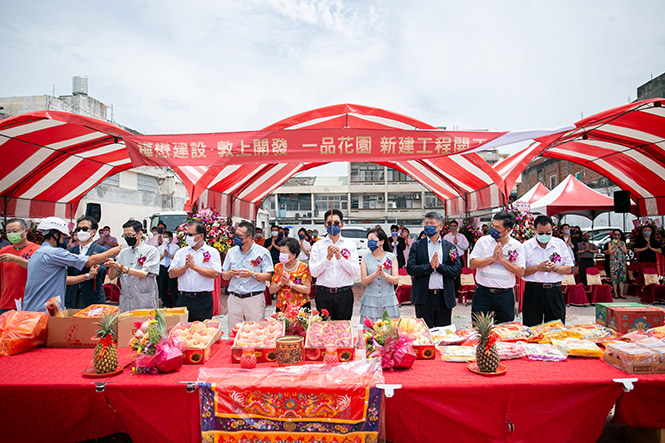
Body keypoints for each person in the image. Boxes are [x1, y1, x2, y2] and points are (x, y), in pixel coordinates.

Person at [23, 217, 119, 312]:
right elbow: (88, 262)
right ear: (56, 235)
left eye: (84, 229)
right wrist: (112, 252)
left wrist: (88, 276)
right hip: (49, 307)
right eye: (64, 237)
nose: (66, 240)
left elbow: (65, 279)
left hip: (89, 299)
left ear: (93, 232)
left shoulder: (38, 252)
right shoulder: (56, 253)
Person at [406, 211, 462, 327]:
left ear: (440, 227)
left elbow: (457, 270)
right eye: (426, 223)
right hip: (424, 297)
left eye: (431, 223)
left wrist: (439, 267)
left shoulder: (449, 247)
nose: (428, 226)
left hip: (444, 298)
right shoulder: (417, 245)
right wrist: (429, 267)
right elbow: (411, 269)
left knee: (443, 334)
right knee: (424, 333)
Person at [469, 211, 525, 325]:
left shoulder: (516, 246)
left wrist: (503, 260)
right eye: (493, 225)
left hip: (505, 295)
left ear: (508, 230)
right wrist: (493, 258)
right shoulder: (483, 241)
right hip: (483, 293)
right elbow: (472, 263)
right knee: (479, 330)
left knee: (504, 330)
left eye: (497, 227)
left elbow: (520, 271)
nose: (493, 229)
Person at [522, 215, 574, 326]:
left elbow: (568, 268)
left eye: (548, 233)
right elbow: (521, 271)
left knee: (556, 328)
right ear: (534, 230)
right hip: (533, 291)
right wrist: (537, 268)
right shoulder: (526, 246)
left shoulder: (559, 244)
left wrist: (556, 268)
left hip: (554, 290)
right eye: (541, 233)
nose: (544, 236)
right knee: (531, 327)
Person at [221, 221, 273, 331]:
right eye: (236, 235)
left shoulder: (262, 252)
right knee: (234, 332)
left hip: (254, 298)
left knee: (256, 332)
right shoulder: (231, 252)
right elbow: (224, 275)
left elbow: (268, 275)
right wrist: (229, 273)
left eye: (240, 236)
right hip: (234, 298)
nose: (237, 238)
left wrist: (252, 274)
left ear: (249, 237)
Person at [310, 209, 360, 320]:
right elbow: (313, 272)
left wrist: (340, 258)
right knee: (324, 329)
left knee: (343, 329)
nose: (333, 226)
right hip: (323, 294)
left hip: (344, 294)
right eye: (329, 223)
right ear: (325, 225)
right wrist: (327, 258)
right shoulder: (317, 246)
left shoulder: (350, 245)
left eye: (336, 223)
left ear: (341, 225)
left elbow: (355, 270)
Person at [169, 221, 222, 321]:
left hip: (203, 299)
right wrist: (185, 267)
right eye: (186, 234)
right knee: (183, 330)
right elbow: (171, 274)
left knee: (202, 331)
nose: (187, 237)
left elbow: (215, 273)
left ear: (201, 235)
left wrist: (194, 267)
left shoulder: (212, 252)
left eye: (190, 235)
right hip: (184, 298)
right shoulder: (181, 252)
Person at [105, 220, 160, 312]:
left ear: (140, 234)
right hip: (126, 298)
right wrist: (112, 266)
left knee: (146, 323)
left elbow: (144, 273)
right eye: (125, 236)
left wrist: (122, 268)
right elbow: (112, 276)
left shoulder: (151, 251)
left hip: (144, 297)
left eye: (130, 235)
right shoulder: (123, 252)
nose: (127, 238)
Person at [65, 216, 108, 309]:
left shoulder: (101, 251)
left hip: (93, 297)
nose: (81, 232)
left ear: (93, 232)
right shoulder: (70, 251)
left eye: (84, 229)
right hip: (72, 297)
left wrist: (95, 268)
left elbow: (102, 272)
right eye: (78, 229)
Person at [359, 227, 399, 322]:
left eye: (373, 240)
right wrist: (376, 274)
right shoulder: (365, 258)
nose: (370, 242)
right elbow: (364, 281)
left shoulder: (391, 257)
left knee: (389, 331)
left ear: (381, 242)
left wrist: (384, 274)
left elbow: (396, 280)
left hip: (389, 300)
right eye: (368, 240)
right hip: (370, 301)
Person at [0, 218, 40, 313]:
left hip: (29, 302)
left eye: (15, 231)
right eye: (8, 232)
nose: (11, 234)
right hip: (6, 302)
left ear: (25, 231)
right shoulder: (4, 251)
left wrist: (15, 259)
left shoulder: (36, 250)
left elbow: (37, 268)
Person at [268, 237, 312, 312]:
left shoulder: (303, 267)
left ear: (293, 254)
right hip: (282, 305)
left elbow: (307, 290)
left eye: (284, 252)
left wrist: (291, 284)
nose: (282, 254)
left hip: (300, 306)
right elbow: (271, 290)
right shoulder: (278, 267)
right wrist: (281, 283)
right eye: (281, 252)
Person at [443, 220, 470, 299]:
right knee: (449, 275)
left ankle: (458, 294)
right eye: (452, 226)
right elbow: (444, 247)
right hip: (449, 259)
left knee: (458, 276)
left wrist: (457, 243)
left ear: (457, 227)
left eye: (455, 226)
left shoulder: (461, 236)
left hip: (459, 258)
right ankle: (450, 293)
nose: (453, 227)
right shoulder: (446, 237)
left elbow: (466, 246)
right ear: (449, 227)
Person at [158, 231, 180, 308]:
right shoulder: (160, 247)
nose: (165, 239)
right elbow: (158, 259)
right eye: (164, 237)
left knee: (172, 286)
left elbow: (176, 259)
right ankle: (165, 303)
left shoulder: (176, 247)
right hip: (162, 267)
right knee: (162, 286)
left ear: (171, 238)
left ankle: (175, 303)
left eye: (166, 237)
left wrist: (168, 255)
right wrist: (164, 254)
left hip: (171, 267)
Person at [608, 229, 628, 299]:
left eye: (618, 234)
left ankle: (621, 293)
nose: (617, 236)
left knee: (622, 277)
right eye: (615, 234)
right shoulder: (610, 243)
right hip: (614, 262)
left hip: (621, 262)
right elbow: (610, 252)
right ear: (613, 235)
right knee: (614, 278)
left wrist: (620, 246)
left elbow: (626, 251)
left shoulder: (623, 243)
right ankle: (616, 293)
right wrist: (616, 246)